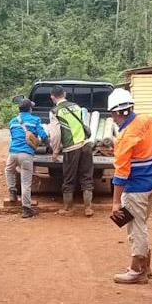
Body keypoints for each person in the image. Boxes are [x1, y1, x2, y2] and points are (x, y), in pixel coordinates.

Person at [108, 88, 152, 285]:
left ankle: (137, 271)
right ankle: (146, 266)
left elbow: (121, 174)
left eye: (112, 114)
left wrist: (116, 202)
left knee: (135, 228)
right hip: (151, 185)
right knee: (140, 224)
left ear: (118, 112)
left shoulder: (125, 137)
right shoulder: (146, 120)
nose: (112, 118)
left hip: (135, 189)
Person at [50, 85, 94, 217]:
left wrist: (55, 151)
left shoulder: (55, 111)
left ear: (52, 97)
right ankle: (88, 208)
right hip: (86, 145)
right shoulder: (76, 106)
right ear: (64, 94)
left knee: (69, 178)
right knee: (87, 176)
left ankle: (68, 209)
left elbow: (56, 134)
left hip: (71, 148)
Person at [5, 99, 48, 218]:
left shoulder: (13, 121)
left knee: (9, 170)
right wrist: (47, 144)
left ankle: (12, 191)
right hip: (26, 154)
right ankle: (26, 209)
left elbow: (13, 136)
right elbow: (43, 135)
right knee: (26, 182)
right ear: (30, 109)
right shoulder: (35, 120)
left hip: (13, 153)